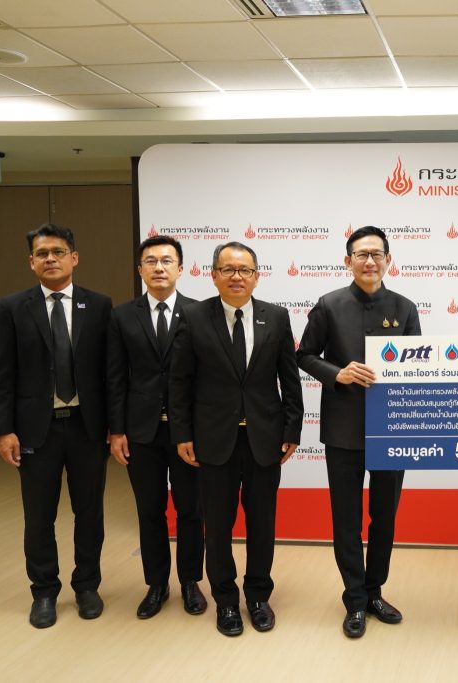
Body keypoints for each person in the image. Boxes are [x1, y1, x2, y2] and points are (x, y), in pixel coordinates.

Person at [169, 241, 303, 637]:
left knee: (262, 523)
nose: (236, 277)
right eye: (227, 269)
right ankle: (226, 600)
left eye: (244, 270)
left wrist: (292, 430)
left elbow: (289, 378)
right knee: (218, 525)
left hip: (264, 439)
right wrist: (182, 433)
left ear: (257, 276)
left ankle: (258, 596)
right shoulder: (194, 317)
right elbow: (180, 381)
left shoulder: (276, 317)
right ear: (213, 275)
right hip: (214, 440)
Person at [297, 226, 421, 639]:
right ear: (347, 260)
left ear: (388, 260)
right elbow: (304, 355)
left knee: (384, 518)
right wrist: (339, 373)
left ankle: (374, 592)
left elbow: (419, 365)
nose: (370, 261)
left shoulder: (404, 308)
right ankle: (353, 599)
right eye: (361, 254)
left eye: (377, 254)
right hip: (343, 431)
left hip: (392, 431)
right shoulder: (328, 305)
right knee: (346, 519)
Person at [0, 223, 112, 629]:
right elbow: (1, 374)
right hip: (34, 432)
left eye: (58, 252)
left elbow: (110, 373)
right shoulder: (11, 308)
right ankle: (44, 591)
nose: (51, 259)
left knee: (89, 512)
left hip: (86, 428)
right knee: (39, 516)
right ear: (31, 262)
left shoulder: (99, 306)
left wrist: (115, 426)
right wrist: (4, 429)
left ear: (74, 257)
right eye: (42, 253)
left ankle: (87, 586)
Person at [106, 235, 206, 619]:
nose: (159, 267)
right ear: (140, 270)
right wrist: (117, 430)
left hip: (188, 433)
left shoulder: (199, 313)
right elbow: (115, 377)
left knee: (191, 510)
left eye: (166, 261)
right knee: (149, 510)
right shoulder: (121, 316)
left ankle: (191, 582)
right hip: (140, 432)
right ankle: (157, 584)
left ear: (180, 268)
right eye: (151, 261)